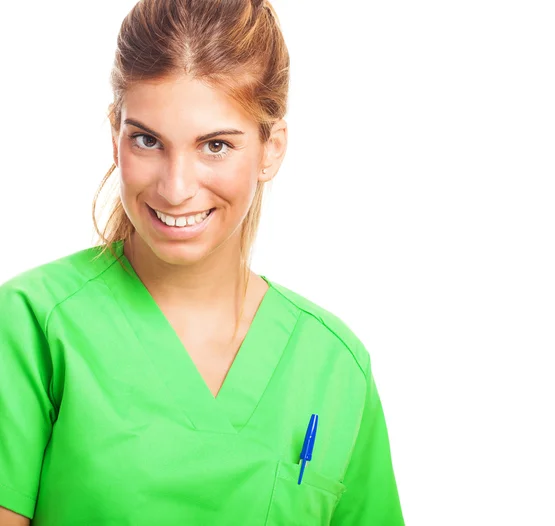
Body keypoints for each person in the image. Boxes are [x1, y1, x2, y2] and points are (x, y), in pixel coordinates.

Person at [0, 0, 405, 524]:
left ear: (271, 149)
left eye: (215, 145)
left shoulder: (333, 366)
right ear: (114, 133)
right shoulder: (31, 326)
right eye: (147, 140)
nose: (175, 188)